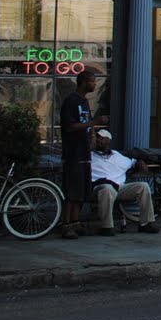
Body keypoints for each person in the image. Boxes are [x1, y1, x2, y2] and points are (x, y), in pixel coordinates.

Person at [58, 70, 105, 239]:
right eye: (92, 82)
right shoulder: (71, 101)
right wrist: (94, 123)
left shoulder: (84, 102)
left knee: (81, 189)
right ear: (84, 82)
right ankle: (66, 223)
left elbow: (87, 123)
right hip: (73, 152)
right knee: (72, 189)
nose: (95, 84)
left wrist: (92, 135)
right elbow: (70, 126)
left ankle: (76, 221)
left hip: (84, 151)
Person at [89, 129, 159, 234]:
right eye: (97, 138)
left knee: (143, 186)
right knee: (107, 188)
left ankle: (146, 224)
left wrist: (140, 162)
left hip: (119, 188)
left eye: (102, 138)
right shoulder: (90, 155)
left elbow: (133, 163)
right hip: (100, 187)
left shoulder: (116, 155)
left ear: (108, 141)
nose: (99, 140)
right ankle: (107, 227)